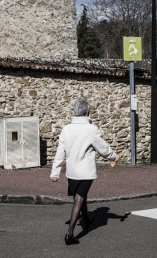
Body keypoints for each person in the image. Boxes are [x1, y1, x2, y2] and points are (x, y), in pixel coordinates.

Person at [50, 98, 119, 245]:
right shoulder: (91, 129)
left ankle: (86, 219)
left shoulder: (66, 129)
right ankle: (69, 235)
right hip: (85, 172)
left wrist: (55, 172)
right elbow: (103, 149)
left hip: (72, 172)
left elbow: (59, 152)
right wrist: (115, 156)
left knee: (81, 197)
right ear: (87, 112)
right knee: (79, 199)